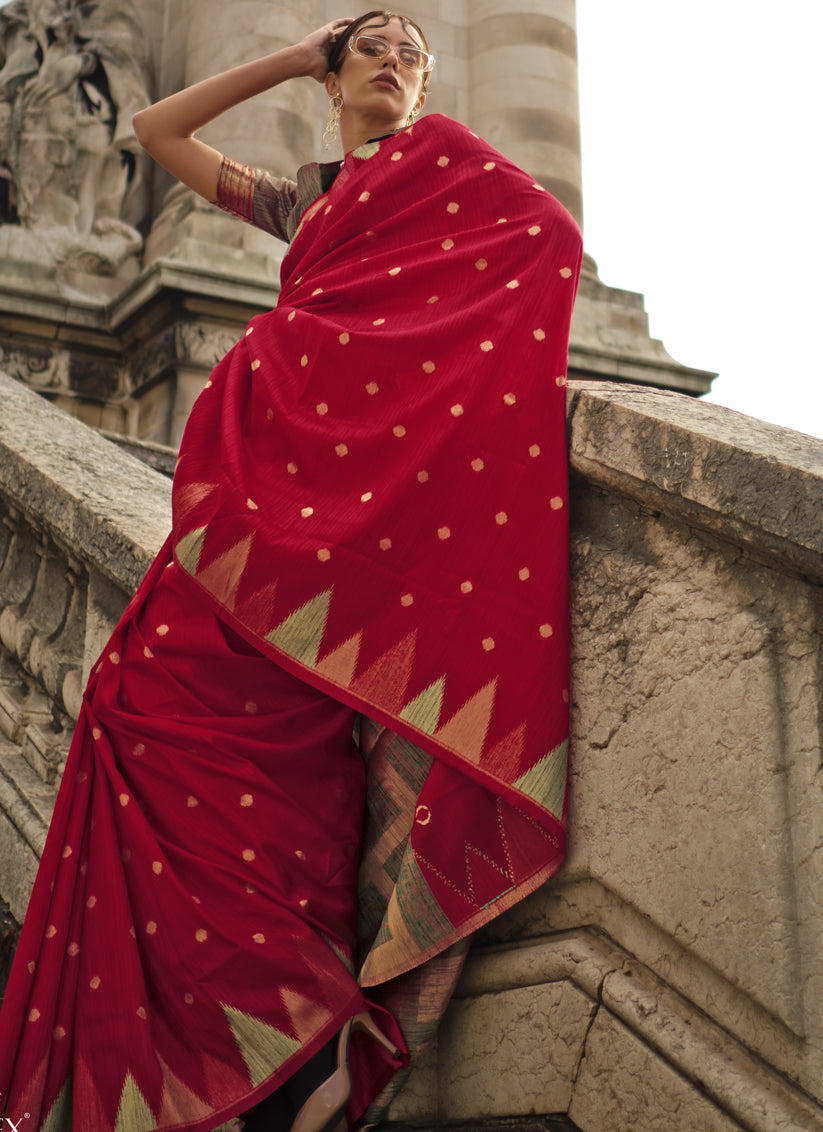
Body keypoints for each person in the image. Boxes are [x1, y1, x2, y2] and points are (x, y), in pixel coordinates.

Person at [0, 10, 582, 1132]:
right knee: (129, 708)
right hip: (253, 507)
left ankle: (302, 1044)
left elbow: (548, 240)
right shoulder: (301, 196)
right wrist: (288, 57)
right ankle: (230, 1056)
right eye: (369, 44)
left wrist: (415, 395)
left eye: (411, 49)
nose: (394, 58)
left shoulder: (453, 170)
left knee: (290, 796)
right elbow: (156, 128)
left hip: (344, 532)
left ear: (427, 86)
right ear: (334, 70)